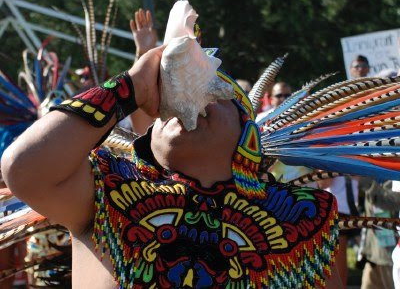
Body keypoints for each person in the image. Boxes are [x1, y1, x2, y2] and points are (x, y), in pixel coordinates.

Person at [1, 46, 343, 288]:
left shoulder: (305, 216)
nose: (192, 99)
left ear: (247, 136)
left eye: (215, 92)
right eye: (166, 103)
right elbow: (23, 168)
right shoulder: (108, 191)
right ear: (150, 141)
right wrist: (129, 87)